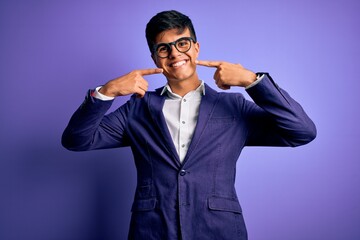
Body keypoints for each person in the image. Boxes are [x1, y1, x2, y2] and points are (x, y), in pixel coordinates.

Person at [62, 10, 316, 240]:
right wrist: (107, 92)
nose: (174, 54)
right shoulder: (137, 109)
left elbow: (302, 132)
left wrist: (252, 81)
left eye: (182, 43)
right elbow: (77, 140)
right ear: (155, 57)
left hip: (219, 230)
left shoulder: (234, 107)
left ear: (196, 48)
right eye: (164, 48)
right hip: (152, 231)